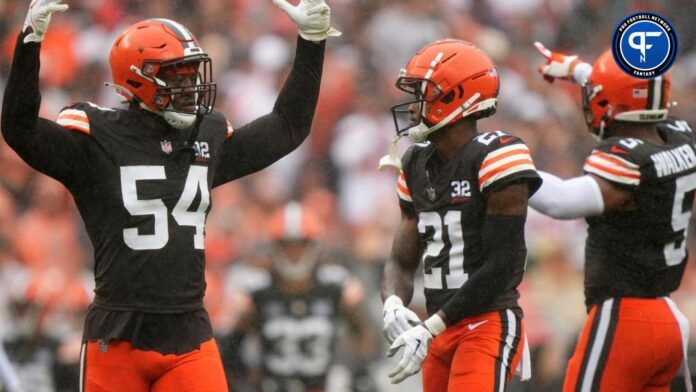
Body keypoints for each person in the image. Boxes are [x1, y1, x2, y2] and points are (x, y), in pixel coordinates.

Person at [1, 0, 339, 390]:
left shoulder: (205, 135)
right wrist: (30, 42)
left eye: (192, 73)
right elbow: (20, 129)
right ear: (138, 78)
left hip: (187, 332)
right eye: (178, 75)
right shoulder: (97, 138)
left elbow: (287, 126)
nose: (191, 85)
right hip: (117, 333)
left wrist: (312, 42)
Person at [530, 42, 694, 391]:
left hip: (625, 319)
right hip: (667, 318)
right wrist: (578, 70)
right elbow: (637, 93)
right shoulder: (678, 135)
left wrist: (506, 164)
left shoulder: (627, 161)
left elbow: (561, 202)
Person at [379, 39, 540, 391]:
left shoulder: (497, 155)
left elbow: (502, 265)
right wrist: (392, 302)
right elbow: (402, 259)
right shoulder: (415, 162)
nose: (411, 106)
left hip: (486, 322)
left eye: (421, 92)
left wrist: (431, 325)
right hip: (439, 329)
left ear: (454, 97)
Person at [226, 202, 375, 392]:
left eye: (300, 245)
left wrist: (354, 371)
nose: (293, 253)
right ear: (274, 247)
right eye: (287, 246)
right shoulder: (257, 291)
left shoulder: (335, 286)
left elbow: (365, 338)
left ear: (313, 246)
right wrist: (246, 380)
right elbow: (231, 346)